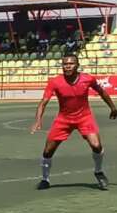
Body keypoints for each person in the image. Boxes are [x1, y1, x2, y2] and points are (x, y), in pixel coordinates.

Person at [31, 54, 117, 190]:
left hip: (84, 117)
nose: (67, 66)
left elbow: (102, 92)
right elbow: (44, 102)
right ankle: (45, 179)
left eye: (71, 64)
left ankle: (98, 171)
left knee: (96, 145)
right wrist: (38, 120)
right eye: (65, 64)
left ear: (77, 65)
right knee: (48, 151)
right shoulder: (55, 82)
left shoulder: (87, 79)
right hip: (63, 119)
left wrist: (113, 108)